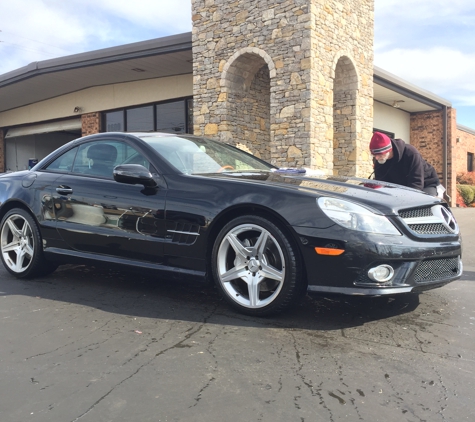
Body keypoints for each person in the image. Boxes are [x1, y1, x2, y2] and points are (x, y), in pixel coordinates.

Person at [369, 131, 440, 196]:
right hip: (401, 186)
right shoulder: (380, 160)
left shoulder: (411, 153)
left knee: (424, 203)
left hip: (425, 183)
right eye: (374, 155)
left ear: (389, 150)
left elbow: (416, 183)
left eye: (380, 155)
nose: (377, 158)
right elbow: (381, 182)